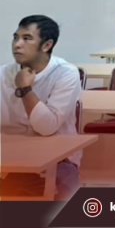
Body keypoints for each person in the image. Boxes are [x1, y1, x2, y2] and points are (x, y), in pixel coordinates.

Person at [0, 15, 82, 199]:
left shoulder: (65, 74)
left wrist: (25, 89)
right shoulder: (3, 73)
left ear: (47, 45)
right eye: (15, 37)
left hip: (58, 159)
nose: (17, 44)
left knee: (59, 200)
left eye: (27, 38)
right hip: (10, 157)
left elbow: (47, 127)